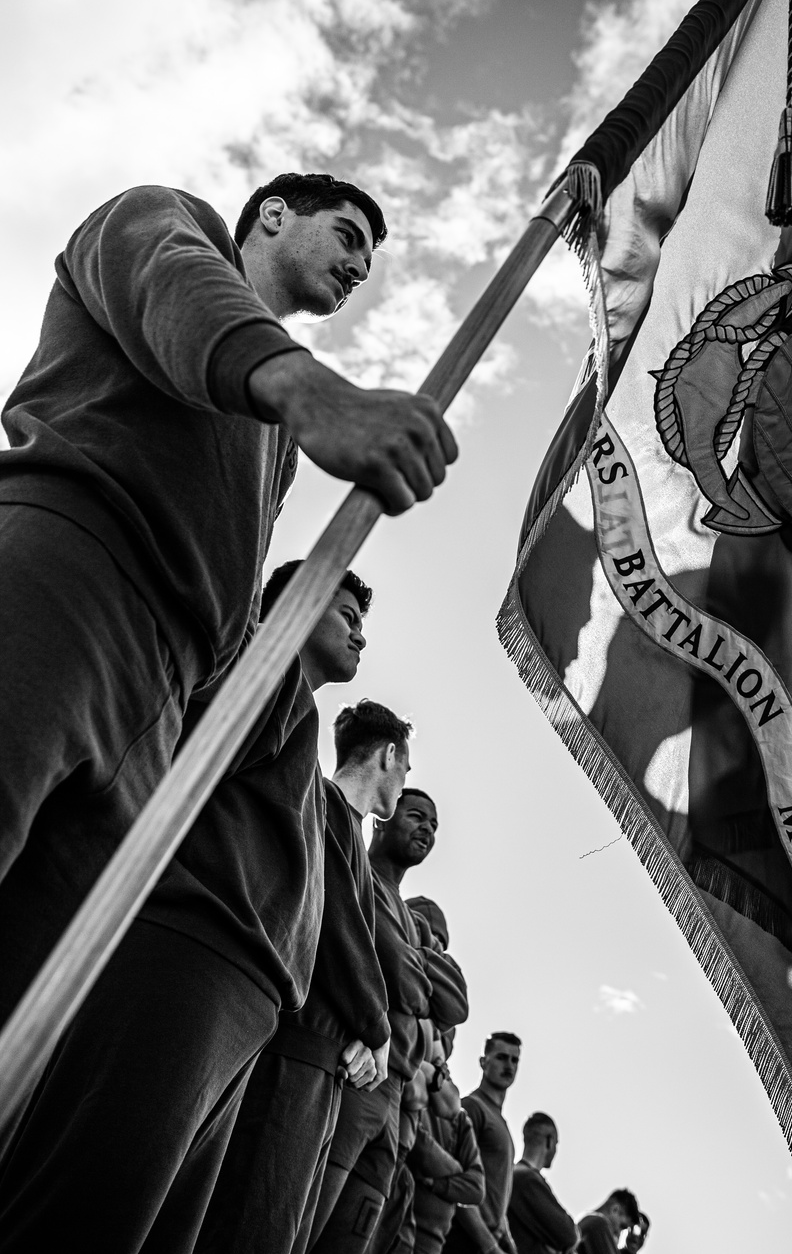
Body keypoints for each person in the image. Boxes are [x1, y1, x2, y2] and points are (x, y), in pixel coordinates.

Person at [0, 172, 457, 1030]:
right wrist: (311, 389)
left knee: (32, 994)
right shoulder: (166, 226)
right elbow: (177, 287)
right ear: (276, 215)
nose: (361, 266)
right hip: (67, 577)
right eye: (350, 235)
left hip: (163, 704)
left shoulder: (275, 444)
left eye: (371, 256)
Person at [0, 561, 372, 1251]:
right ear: (297, 600)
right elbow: (163, 778)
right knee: (89, 1207)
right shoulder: (258, 670)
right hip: (187, 963)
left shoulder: (299, 709)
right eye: (347, 614)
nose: (360, 635)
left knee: (150, 1225)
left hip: (243, 1002)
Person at [196, 692, 412, 1254]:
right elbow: (337, 928)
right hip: (292, 1057)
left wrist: (364, 1037)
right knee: (253, 1229)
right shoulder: (324, 808)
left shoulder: (345, 828)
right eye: (407, 765)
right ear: (388, 755)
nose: (406, 777)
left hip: (322, 1065)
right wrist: (379, 1030)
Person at [311, 790, 469, 1254]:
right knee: (305, 1226)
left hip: (395, 1102)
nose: (427, 829)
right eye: (416, 815)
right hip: (355, 1079)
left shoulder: (410, 919)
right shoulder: (364, 879)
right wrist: (415, 966)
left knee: (354, 1237)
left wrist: (414, 953)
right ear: (381, 820)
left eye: (435, 824)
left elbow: (455, 1005)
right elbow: (408, 985)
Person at [444, 1034, 522, 1254]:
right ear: (483, 1062)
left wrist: (505, 1239)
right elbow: (456, 1175)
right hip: (464, 1238)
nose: (509, 1065)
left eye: (514, 1060)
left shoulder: (501, 1122)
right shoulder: (472, 1107)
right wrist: (488, 1245)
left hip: (487, 1240)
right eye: (501, 1057)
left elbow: (498, 1190)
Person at [413, 1043, 486, 1254]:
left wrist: (434, 1182)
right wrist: (456, 1172)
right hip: (400, 1224)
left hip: (435, 1241)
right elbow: (417, 1145)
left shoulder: (460, 1117)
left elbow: (476, 1189)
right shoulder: (411, 1090)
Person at [507, 1115, 577, 1254]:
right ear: (549, 1141)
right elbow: (569, 1235)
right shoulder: (527, 1180)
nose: (556, 1150)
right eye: (556, 1144)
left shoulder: (511, 1174)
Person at [576, 1192, 642, 1254]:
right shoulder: (599, 1223)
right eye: (622, 1226)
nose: (619, 1233)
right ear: (615, 1209)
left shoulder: (583, 1219)